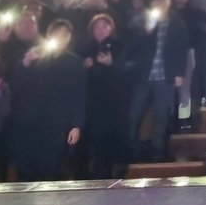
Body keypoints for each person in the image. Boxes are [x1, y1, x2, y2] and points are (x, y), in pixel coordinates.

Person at [8, 20, 86, 181]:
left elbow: (78, 94)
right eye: (57, 33)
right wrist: (26, 63)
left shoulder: (74, 62)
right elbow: (16, 86)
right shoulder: (35, 56)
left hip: (56, 123)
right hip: (29, 120)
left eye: (65, 34)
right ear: (49, 35)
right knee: (26, 167)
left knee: (50, 166)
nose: (61, 37)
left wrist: (76, 125)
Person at [124, 0, 189, 162]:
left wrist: (179, 73)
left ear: (169, 2)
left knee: (161, 114)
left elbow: (181, 48)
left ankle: (157, 149)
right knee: (134, 113)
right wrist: (146, 30)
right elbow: (132, 44)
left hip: (165, 75)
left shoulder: (176, 21)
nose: (160, 2)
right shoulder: (143, 19)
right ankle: (130, 148)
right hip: (144, 73)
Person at [78, 13, 126, 179]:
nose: (101, 30)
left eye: (105, 26)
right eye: (97, 27)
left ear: (111, 29)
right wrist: (84, 67)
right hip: (90, 100)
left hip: (111, 101)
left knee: (107, 139)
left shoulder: (119, 47)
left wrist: (111, 64)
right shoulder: (84, 48)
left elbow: (126, 73)